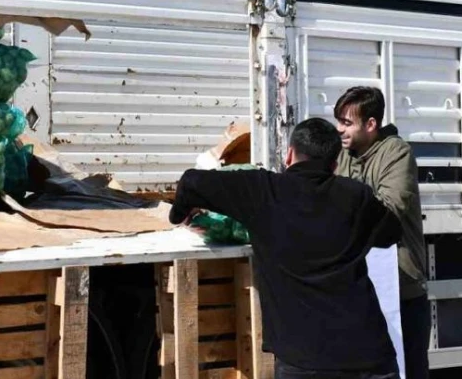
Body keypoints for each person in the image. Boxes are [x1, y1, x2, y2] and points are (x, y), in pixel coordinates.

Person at [170, 118, 403, 379]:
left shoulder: (262, 190)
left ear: (290, 153)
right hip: (368, 355)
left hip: (302, 362)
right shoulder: (355, 195)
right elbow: (392, 233)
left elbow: (190, 182)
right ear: (334, 164)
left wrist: (179, 216)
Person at [334, 86, 429, 379]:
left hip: (401, 286)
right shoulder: (343, 155)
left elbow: (388, 207)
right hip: (359, 287)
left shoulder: (397, 152)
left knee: (408, 368)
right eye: (339, 121)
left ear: (371, 124)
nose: (340, 130)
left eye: (347, 123)